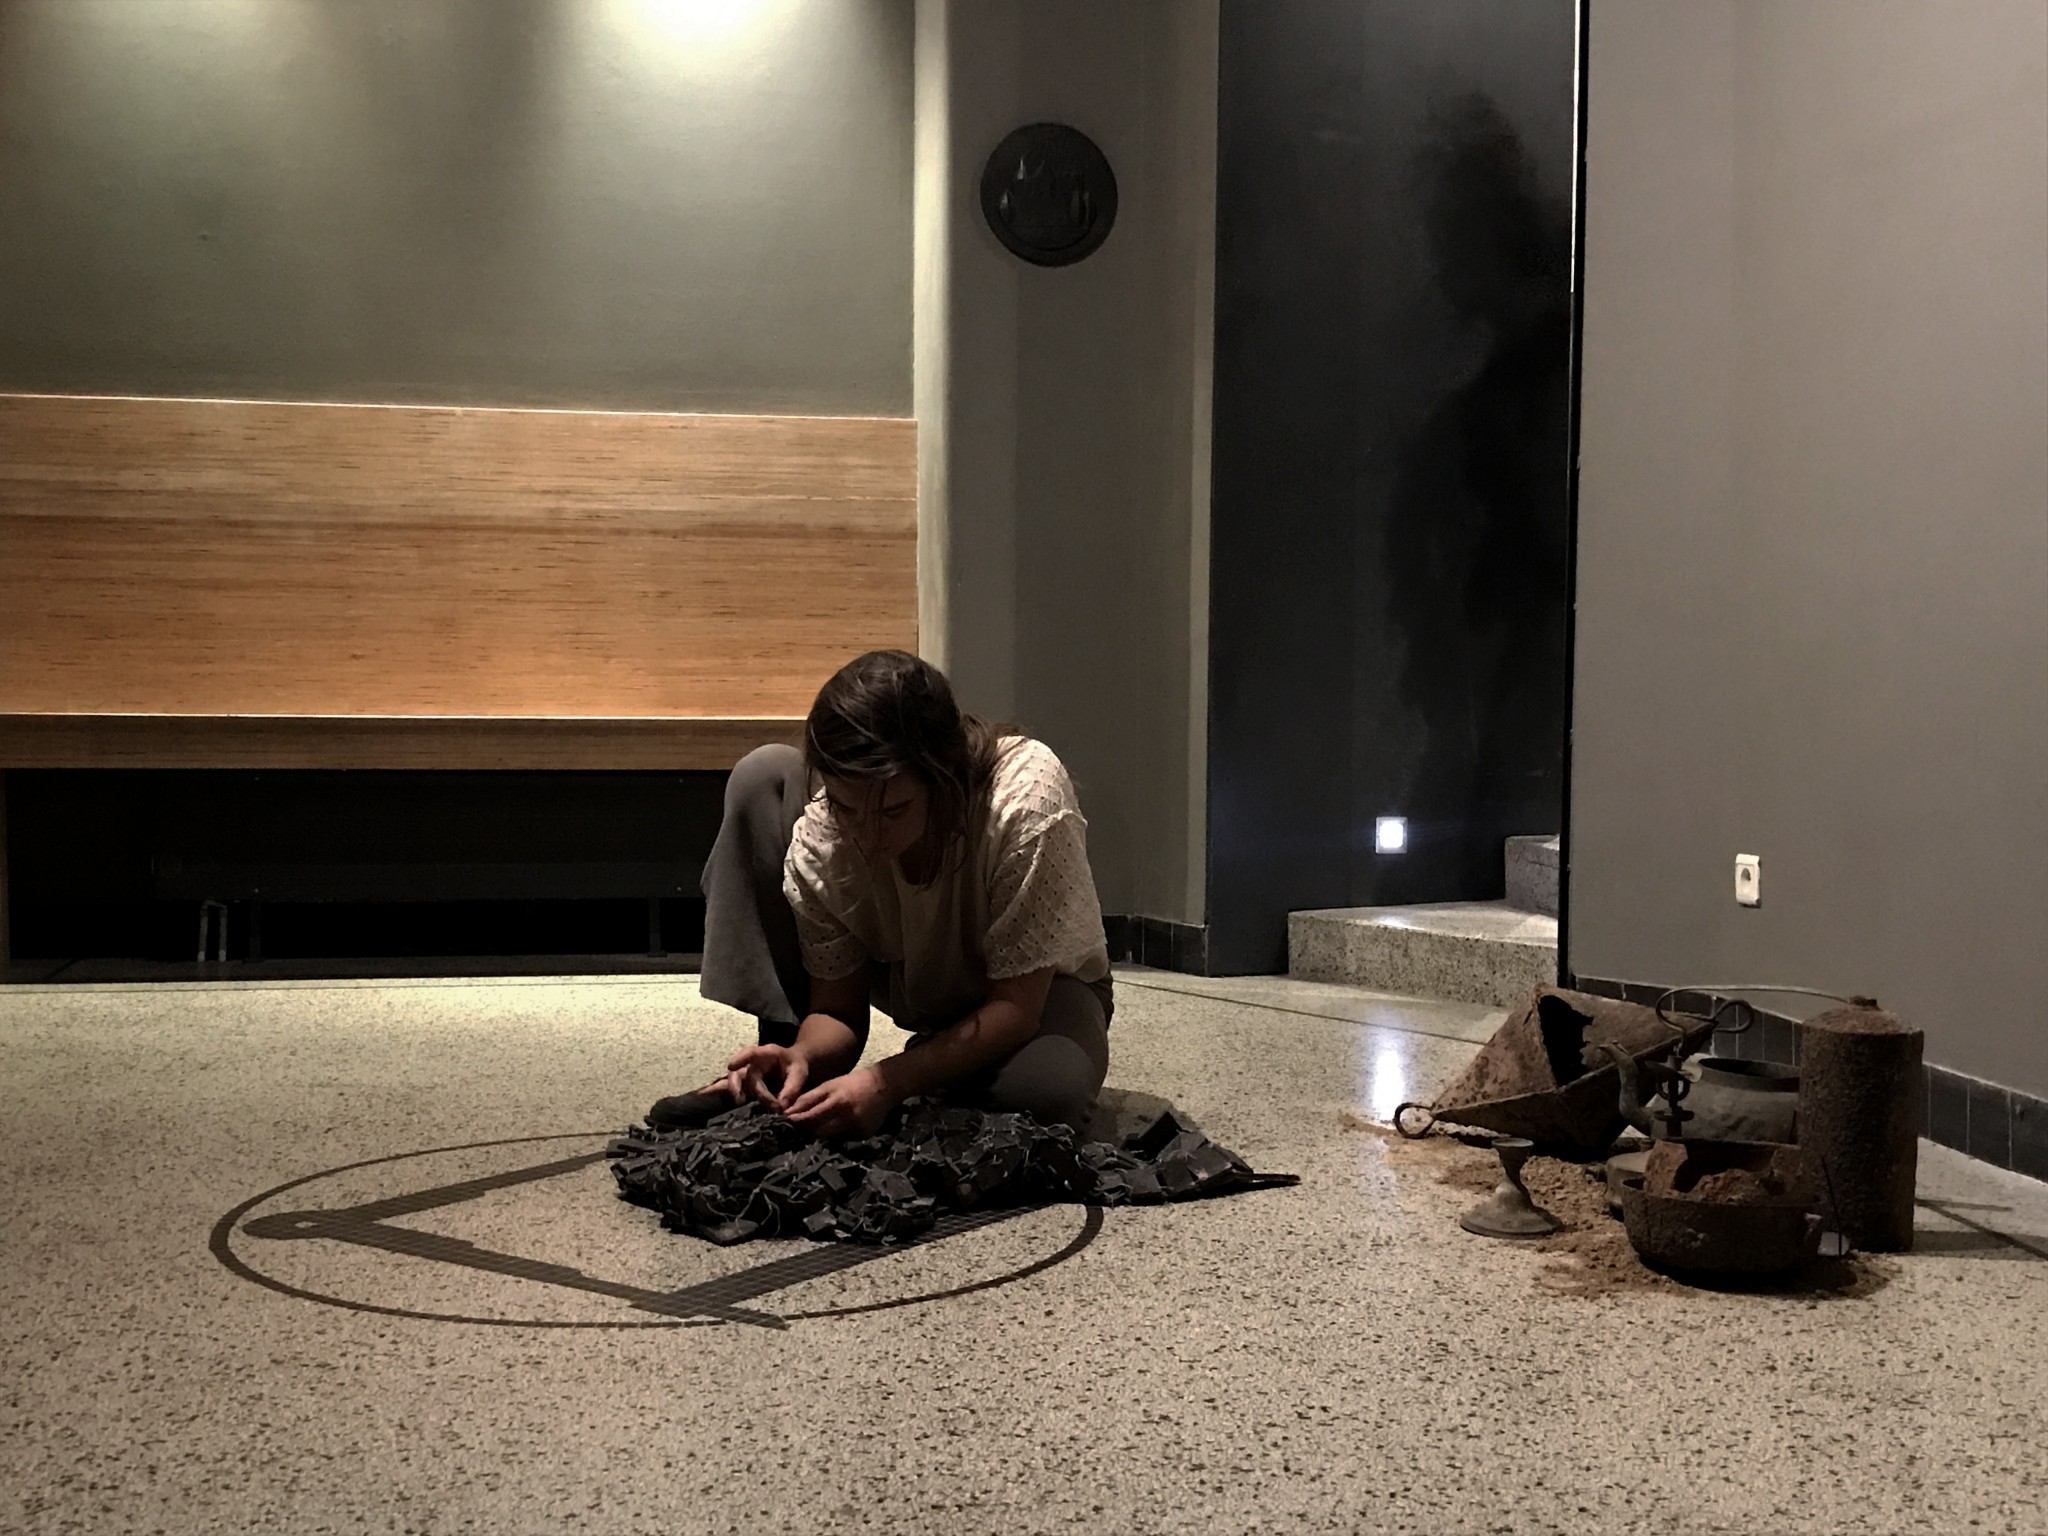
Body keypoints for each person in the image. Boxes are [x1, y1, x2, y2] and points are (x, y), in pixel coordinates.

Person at [649, 649, 1113, 1140]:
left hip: (1041, 991)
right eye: (847, 808)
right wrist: (802, 1054)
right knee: (764, 774)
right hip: (919, 989)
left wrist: (888, 1081)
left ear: (944, 780)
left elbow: (1017, 1008)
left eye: (894, 811)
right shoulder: (824, 836)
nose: (867, 837)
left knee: (1046, 1096)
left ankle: (936, 1066)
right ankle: (792, 1079)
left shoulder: (1024, 799)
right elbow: (838, 1012)